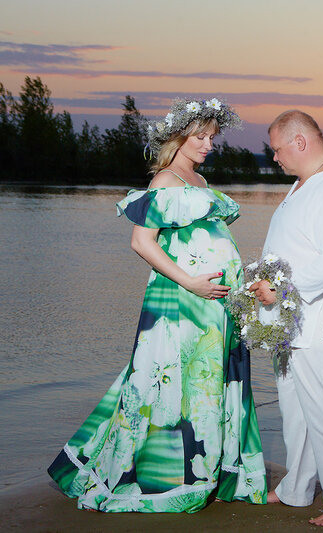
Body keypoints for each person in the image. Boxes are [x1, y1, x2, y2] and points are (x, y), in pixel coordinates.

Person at [47, 98, 268, 512]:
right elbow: (141, 242)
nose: (208, 145)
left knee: (204, 387)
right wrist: (191, 282)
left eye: (211, 138)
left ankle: (208, 471)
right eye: (200, 137)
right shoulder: (165, 181)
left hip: (214, 308)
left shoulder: (200, 182)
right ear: (178, 138)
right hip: (181, 302)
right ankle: (160, 477)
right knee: (164, 386)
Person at [249, 110, 323, 526]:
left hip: (320, 321)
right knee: (295, 411)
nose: (275, 159)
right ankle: (297, 488)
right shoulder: (304, 185)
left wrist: (279, 287)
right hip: (289, 324)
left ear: (300, 143)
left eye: (278, 150)